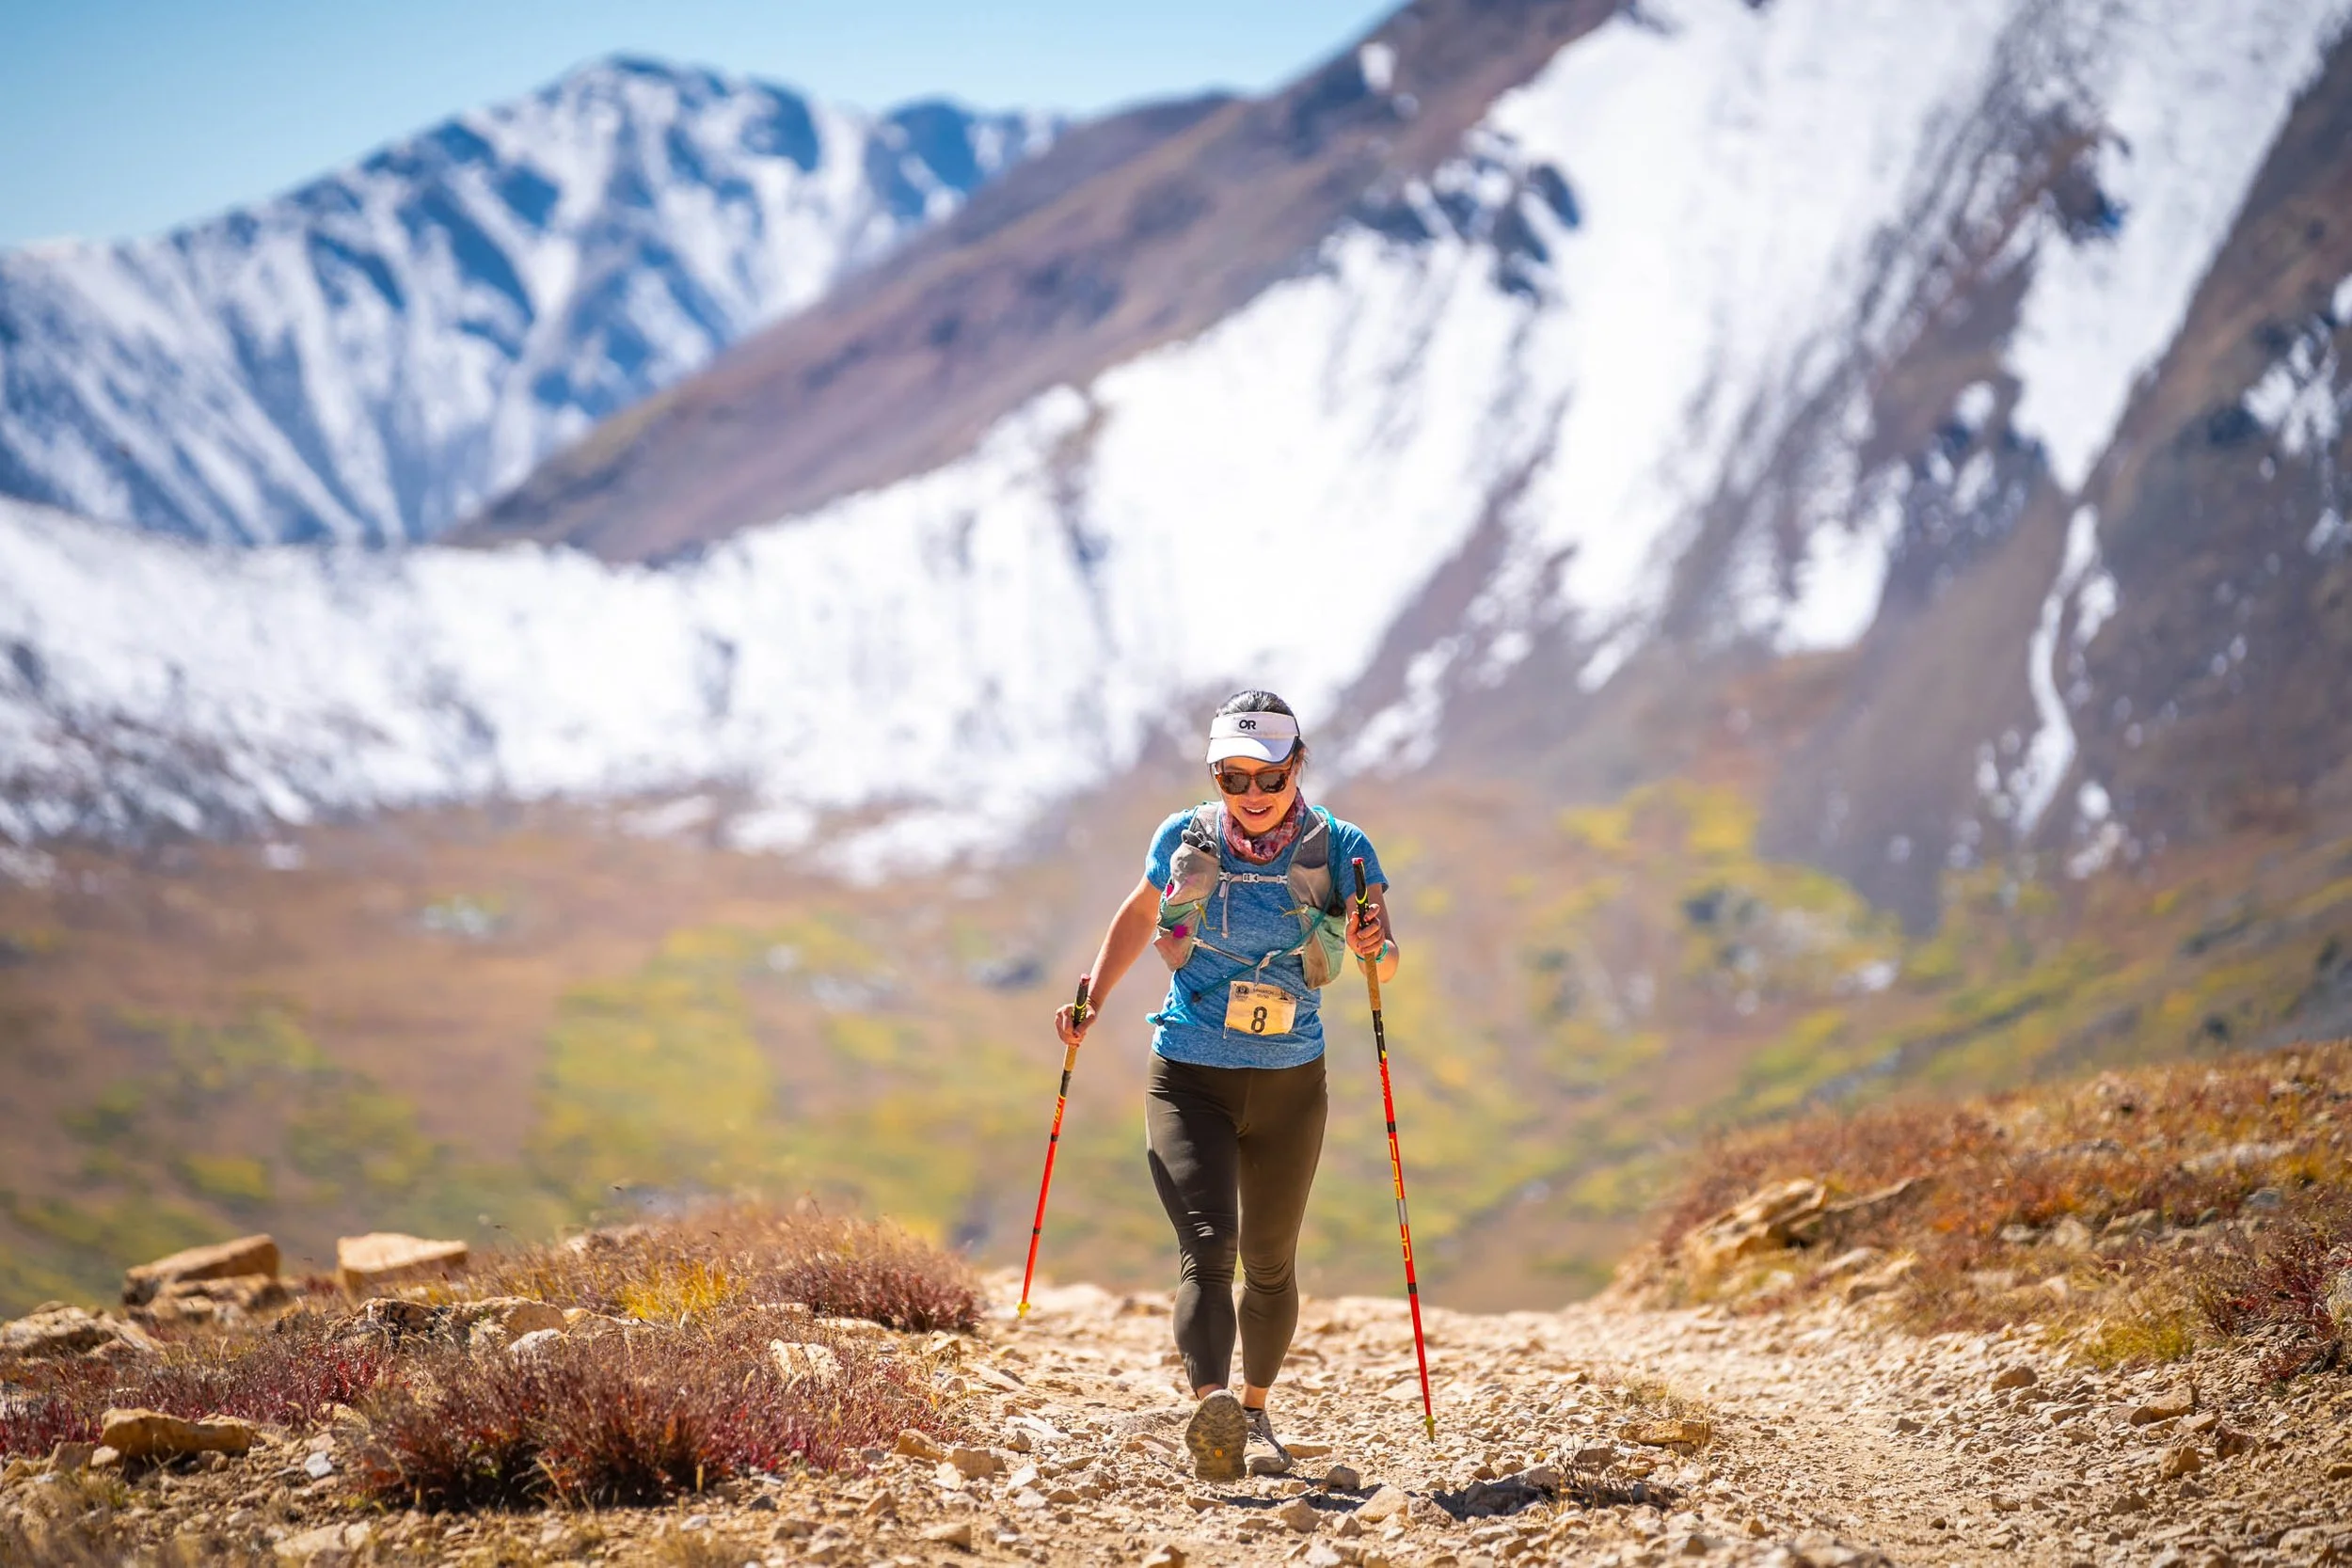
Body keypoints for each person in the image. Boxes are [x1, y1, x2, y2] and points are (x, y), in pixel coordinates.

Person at [1055, 690, 1398, 1481]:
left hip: (1289, 1082)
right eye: (1230, 776)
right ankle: (1212, 1409)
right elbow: (1141, 916)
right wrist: (1091, 1002)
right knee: (1209, 1248)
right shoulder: (1184, 837)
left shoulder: (1343, 850)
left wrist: (1374, 943)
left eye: (1266, 777)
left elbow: (1385, 963)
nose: (1249, 794)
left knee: (1272, 1263)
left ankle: (1252, 1407)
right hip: (1188, 1073)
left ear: (1296, 764)